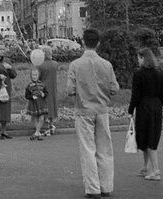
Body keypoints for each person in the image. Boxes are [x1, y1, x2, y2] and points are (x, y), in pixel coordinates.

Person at [66, 29, 119, 198]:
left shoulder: (75, 65)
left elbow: (70, 90)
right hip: (102, 110)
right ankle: (106, 186)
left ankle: (93, 188)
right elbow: (114, 88)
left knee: (88, 149)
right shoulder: (106, 64)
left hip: (83, 110)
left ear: (83, 42)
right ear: (98, 43)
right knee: (104, 149)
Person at [128, 47, 163, 181]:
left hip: (144, 107)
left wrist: (130, 110)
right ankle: (145, 167)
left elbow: (135, 95)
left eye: (138, 58)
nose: (137, 61)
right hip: (156, 106)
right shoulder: (158, 73)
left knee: (146, 139)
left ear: (143, 58)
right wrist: (157, 105)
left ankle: (156, 170)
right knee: (150, 137)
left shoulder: (139, 74)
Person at [38, 45, 59, 136]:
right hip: (53, 86)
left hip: (43, 87)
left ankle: (45, 125)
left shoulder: (40, 65)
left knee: (44, 105)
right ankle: (51, 124)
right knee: (52, 104)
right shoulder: (55, 64)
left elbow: (38, 77)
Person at [25, 67, 48, 141]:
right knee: (35, 118)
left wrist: (43, 94)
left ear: (38, 75)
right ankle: (38, 133)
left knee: (41, 118)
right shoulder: (29, 86)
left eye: (36, 75)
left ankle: (36, 133)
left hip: (41, 103)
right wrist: (32, 96)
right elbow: (26, 96)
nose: (34, 76)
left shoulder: (42, 84)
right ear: (31, 76)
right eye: (33, 75)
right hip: (33, 104)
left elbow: (46, 93)